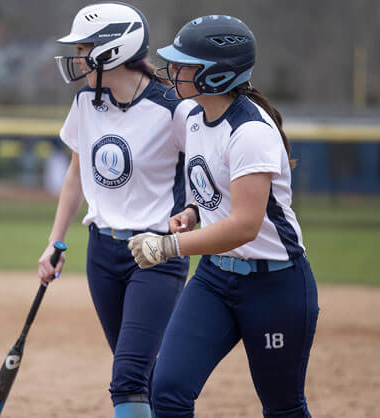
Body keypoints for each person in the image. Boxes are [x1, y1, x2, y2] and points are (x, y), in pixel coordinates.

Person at [128, 15, 319, 418]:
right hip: (215, 279)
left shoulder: (250, 131)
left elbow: (245, 226)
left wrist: (168, 245)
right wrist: (195, 210)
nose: (173, 71)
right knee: (168, 389)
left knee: (282, 406)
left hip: (274, 285)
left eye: (184, 64)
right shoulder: (194, 116)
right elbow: (218, 186)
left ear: (217, 75)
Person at [37, 3, 195, 418]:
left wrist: (193, 213)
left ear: (112, 51)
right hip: (101, 253)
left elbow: (204, 170)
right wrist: (56, 241)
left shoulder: (172, 107)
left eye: (84, 47)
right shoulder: (86, 101)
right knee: (143, 376)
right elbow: (75, 173)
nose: (76, 58)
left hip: (156, 255)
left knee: (126, 378)